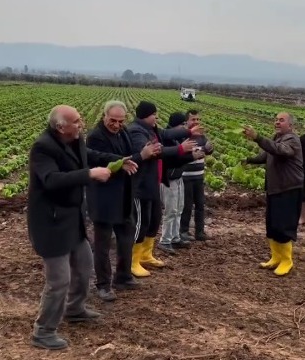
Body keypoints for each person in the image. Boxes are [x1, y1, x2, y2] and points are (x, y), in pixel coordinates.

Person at [27, 105, 137, 350]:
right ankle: (43, 331)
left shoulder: (75, 140)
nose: (81, 124)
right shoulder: (43, 147)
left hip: (72, 218)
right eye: (76, 121)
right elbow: (51, 180)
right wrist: (89, 174)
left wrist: (116, 163)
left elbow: (91, 156)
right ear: (60, 127)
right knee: (59, 280)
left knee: (85, 265)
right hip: (51, 222)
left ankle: (74, 308)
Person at [86, 100, 159, 301]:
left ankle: (123, 276)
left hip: (124, 195)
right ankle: (103, 285)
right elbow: (102, 158)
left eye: (120, 120)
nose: (116, 124)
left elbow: (128, 156)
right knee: (102, 243)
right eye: (112, 120)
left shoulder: (124, 132)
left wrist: (140, 153)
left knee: (126, 237)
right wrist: (138, 156)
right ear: (104, 116)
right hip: (104, 198)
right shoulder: (95, 136)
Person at [127, 101, 203, 277]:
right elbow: (154, 152)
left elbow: (167, 133)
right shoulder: (136, 131)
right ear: (145, 115)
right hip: (141, 185)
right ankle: (132, 261)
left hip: (153, 182)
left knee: (154, 220)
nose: (157, 117)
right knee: (140, 223)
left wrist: (189, 131)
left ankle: (146, 255)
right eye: (154, 114)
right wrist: (180, 148)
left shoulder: (151, 130)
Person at [243, 112, 303, 276]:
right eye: (276, 120)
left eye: (281, 120)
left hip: (288, 189)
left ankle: (286, 260)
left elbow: (280, 151)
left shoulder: (292, 140)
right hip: (275, 188)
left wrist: (258, 138)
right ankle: (276, 257)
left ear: (290, 125)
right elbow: (267, 155)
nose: (277, 122)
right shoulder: (277, 138)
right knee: (272, 225)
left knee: (283, 226)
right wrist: (250, 160)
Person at [159, 112, 205, 254]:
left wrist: (191, 156)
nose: (184, 128)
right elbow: (170, 158)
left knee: (178, 209)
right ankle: (165, 240)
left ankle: (175, 237)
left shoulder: (177, 139)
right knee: (170, 211)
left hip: (178, 177)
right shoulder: (167, 140)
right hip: (169, 179)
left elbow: (180, 158)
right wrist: (190, 156)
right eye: (182, 125)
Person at [180, 110, 214, 242]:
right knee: (187, 205)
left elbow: (207, 151)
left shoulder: (201, 136)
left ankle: (200, 232)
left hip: (199, 176)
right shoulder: (183, 136)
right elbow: (179, 154)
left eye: (198, 120)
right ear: (186, 121)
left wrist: (209, 148)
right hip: (186, 176)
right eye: (193, 120)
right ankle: (183, 231)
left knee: (200, 204)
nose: (196, 122)